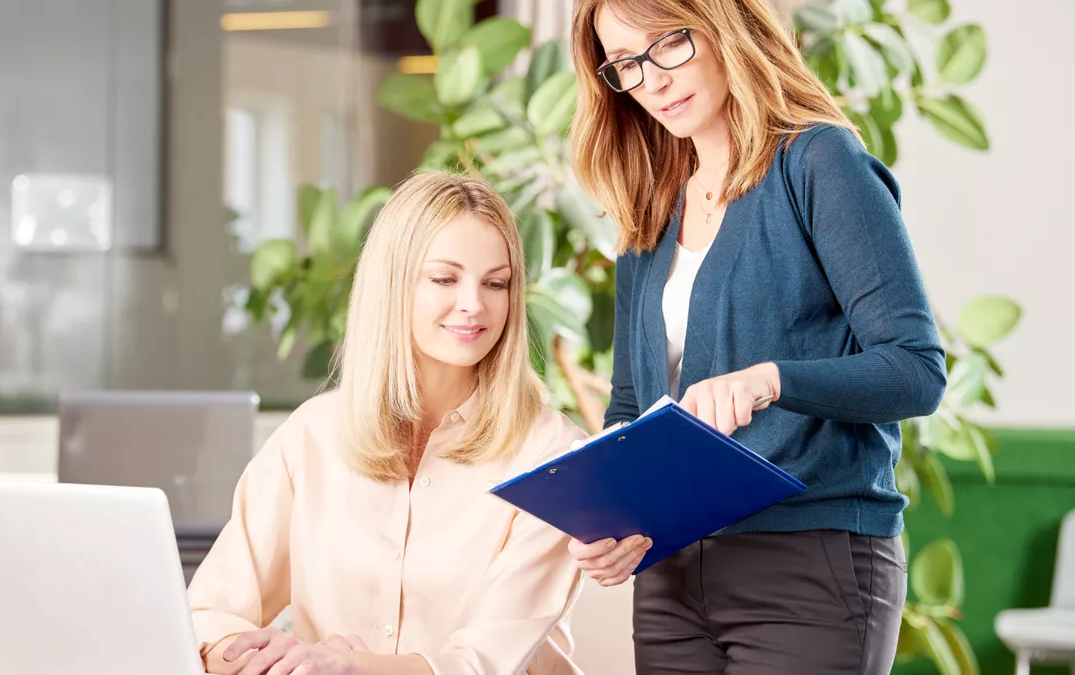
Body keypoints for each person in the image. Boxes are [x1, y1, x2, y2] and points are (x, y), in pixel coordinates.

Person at [563, 0, 947, 672]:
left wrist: (773, 379)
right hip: (671, 573)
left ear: (722, 25)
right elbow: (631, 400)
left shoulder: (818, 162)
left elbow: (916, 369)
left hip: (810, 568)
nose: (651, 80)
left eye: (668, 43)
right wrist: (615, 516)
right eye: (625, 63)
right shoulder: (651, 198)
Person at [186, 172, 588, 675]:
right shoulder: (312, 436)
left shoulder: (553, 454)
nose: (474, 303)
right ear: (392, 283)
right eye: (444, 278)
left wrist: (348, 666)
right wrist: (274, 661)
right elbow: (205, 618)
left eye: (496, 283)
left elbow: (484, 663)